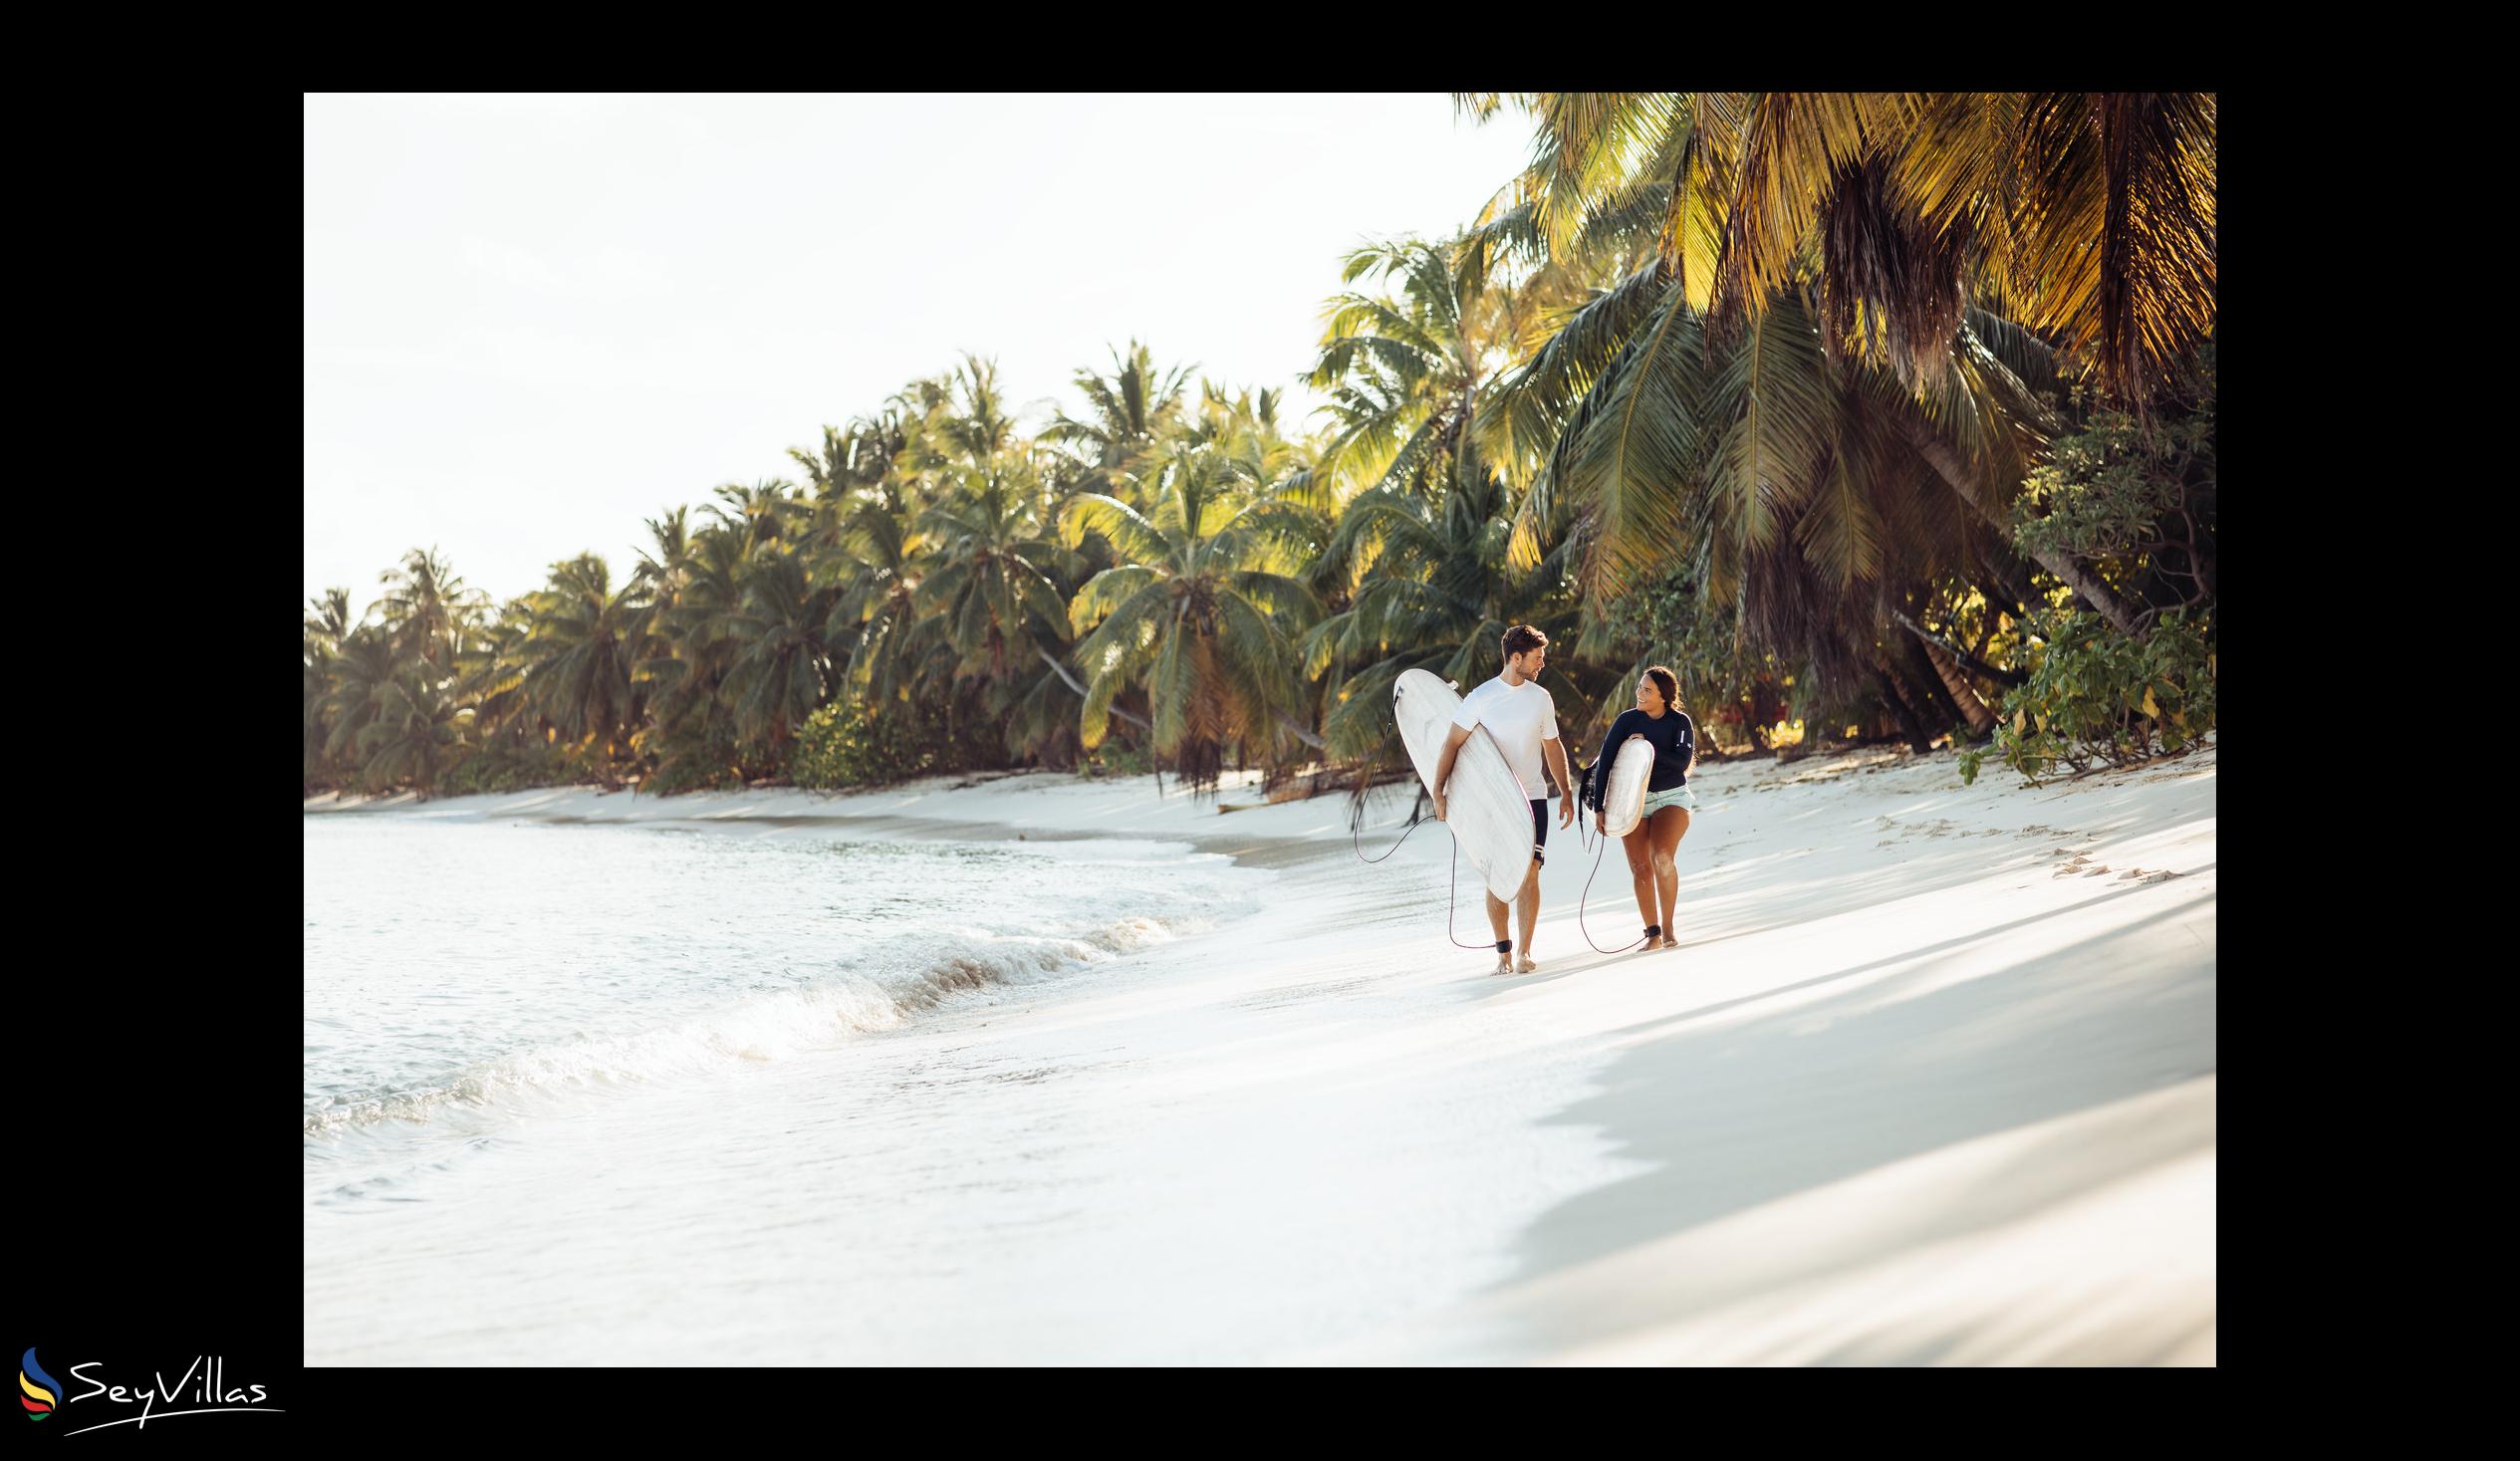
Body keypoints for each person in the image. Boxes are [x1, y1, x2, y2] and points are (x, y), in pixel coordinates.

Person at [1430, 624, 1576, 975]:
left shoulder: (1540, 698)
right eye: (1537, 657)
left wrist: (1566, 791)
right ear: (1516, 657)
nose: (1542, 663)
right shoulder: (1480, 698)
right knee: (1498, 877)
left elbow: (1552, 746)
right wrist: (1438, 790)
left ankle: (1525, 952)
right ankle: (1503, 954)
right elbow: (1452, 743)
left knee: (1529, 872)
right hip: (1492, 803)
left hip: (1534, 798)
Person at [1587, 664, 1696, 950]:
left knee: (1662, 857)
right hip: (1632, 801)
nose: (1639, 693)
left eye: (1647, 690)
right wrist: (1599, 808)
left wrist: (1647, 748)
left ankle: (1669, 927)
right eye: (1639, 688)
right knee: (1640, 869)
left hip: (1671, 797)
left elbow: (1682, 763)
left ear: (1664, 696)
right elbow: (1606, 763)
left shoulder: (1679, 722)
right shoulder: (1626, 721)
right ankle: (1653, 934)